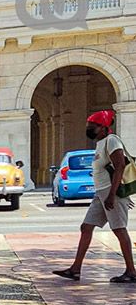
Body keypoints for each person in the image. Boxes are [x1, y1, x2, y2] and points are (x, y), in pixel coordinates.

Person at [52, 109, 136, 283]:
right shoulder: (101, 143)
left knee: (119, 229)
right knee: (86, 227)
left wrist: (112, 195)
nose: (89, 128)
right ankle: (75, 269)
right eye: (89, 125)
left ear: (104, 127)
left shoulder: (112, 141)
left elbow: (120, 166)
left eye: (93, 126)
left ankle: (131, 271)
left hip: (110, 192)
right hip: (101, 193)